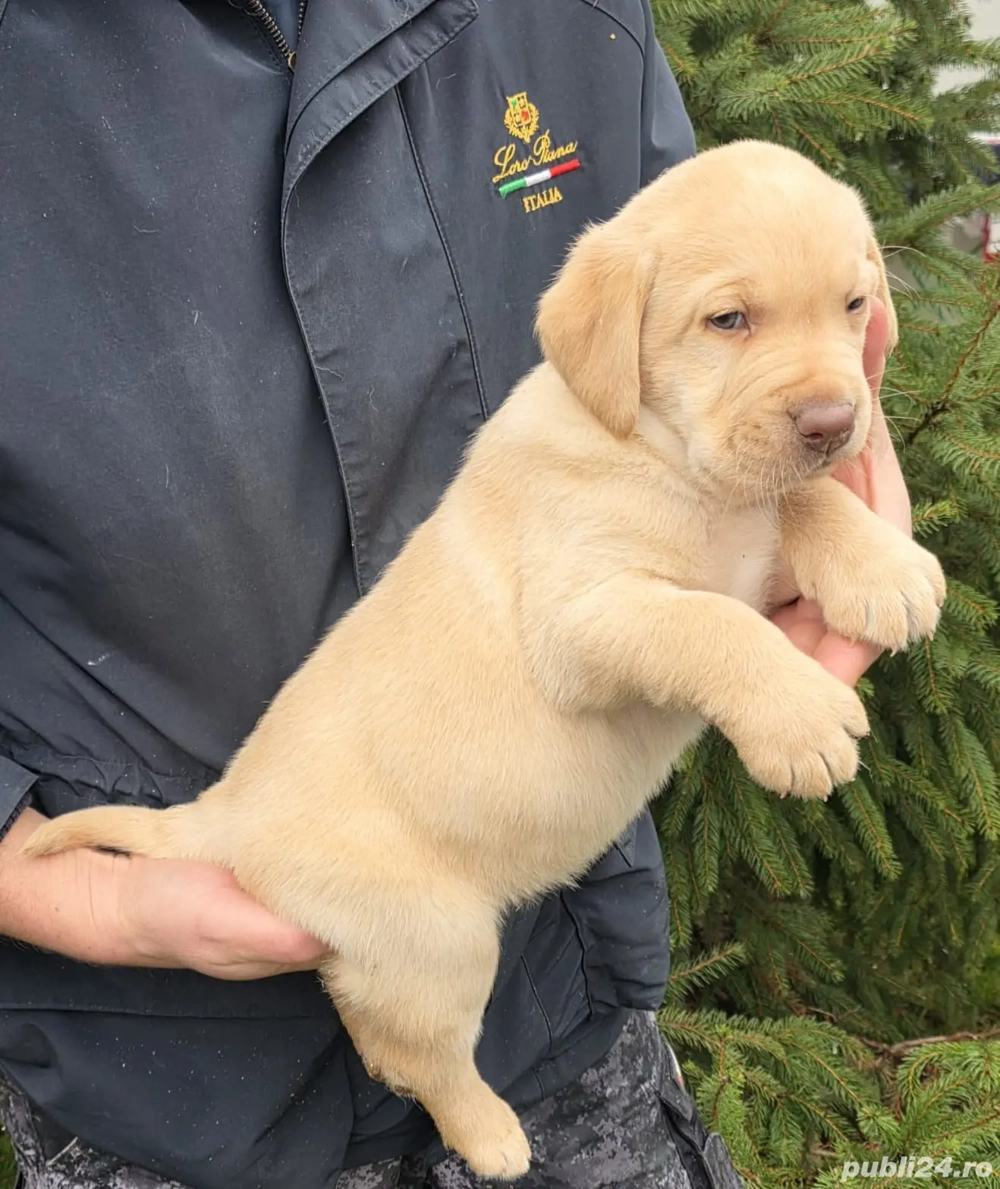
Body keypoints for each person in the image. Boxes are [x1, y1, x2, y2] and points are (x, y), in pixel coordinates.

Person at [0, 2, 909, 1186]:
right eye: (738, 321)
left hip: (566, 994)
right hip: (157, 1078)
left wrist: (826, 468)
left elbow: (739, 287)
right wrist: (54, 888)